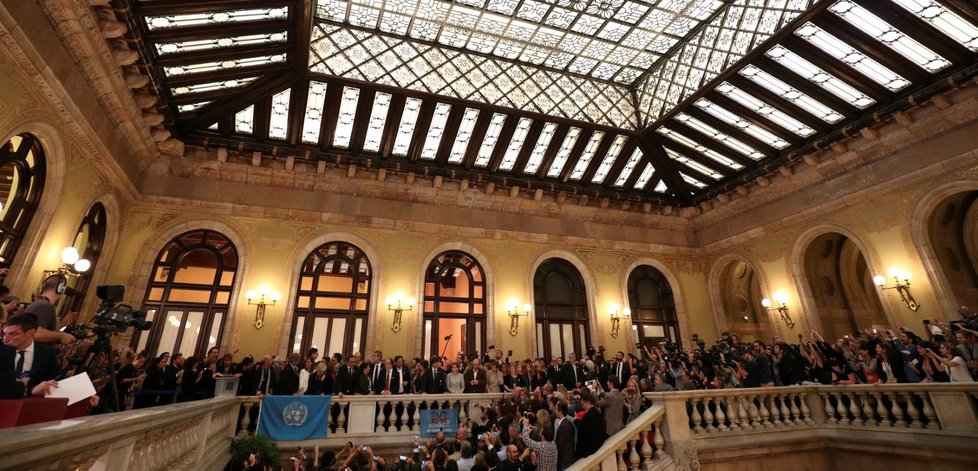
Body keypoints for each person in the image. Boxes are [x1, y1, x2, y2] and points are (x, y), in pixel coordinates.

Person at [1, 313, 60, 398]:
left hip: (32, 404)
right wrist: (29, 390)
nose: (5, 339)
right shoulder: (2, 353)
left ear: (30, 333)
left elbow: (55, 377)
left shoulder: (46, 352)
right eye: (4, 334)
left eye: (13, 334)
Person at [23, 275, 75, 344]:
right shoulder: (45, 306)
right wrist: (62, 335)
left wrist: (63, 323)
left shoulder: (39, 303)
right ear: (60, 288)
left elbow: (44, 331)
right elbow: (36, 333)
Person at [575, 394, 605, 459]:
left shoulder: (589, 415)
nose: (582, 407)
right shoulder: (596, 412)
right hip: (596, 445)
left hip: (589, 450)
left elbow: (582, 430)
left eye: (583, 404)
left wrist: (576, 420)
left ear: (588, 403)